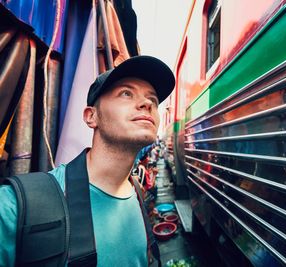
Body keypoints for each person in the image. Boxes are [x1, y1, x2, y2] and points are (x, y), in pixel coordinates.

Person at [0, 55, 175, 266]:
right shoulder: (14, 207)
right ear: (91, 116)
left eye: (153, 100)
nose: (147, 103)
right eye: (126, 93)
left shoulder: (137, 192)